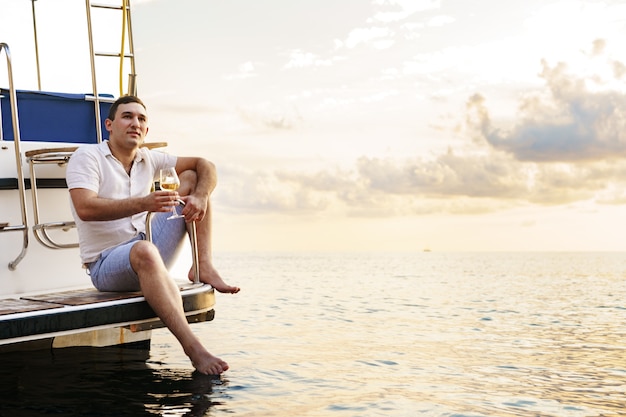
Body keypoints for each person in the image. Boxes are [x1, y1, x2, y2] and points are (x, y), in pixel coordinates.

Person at [66, 95, 239, 375]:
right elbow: (85, 208)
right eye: (127, 117)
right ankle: (194, 350)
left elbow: (205, 164)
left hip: (147, 248)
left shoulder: (148, 157)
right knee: (144, 250)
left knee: (194, 182)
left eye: (141, 119)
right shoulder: (87, 157)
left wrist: (202, 196)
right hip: (106, 264)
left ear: (146, 131)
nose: (135, 123)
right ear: (109, 125)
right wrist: (144, 203)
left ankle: (203, 264)